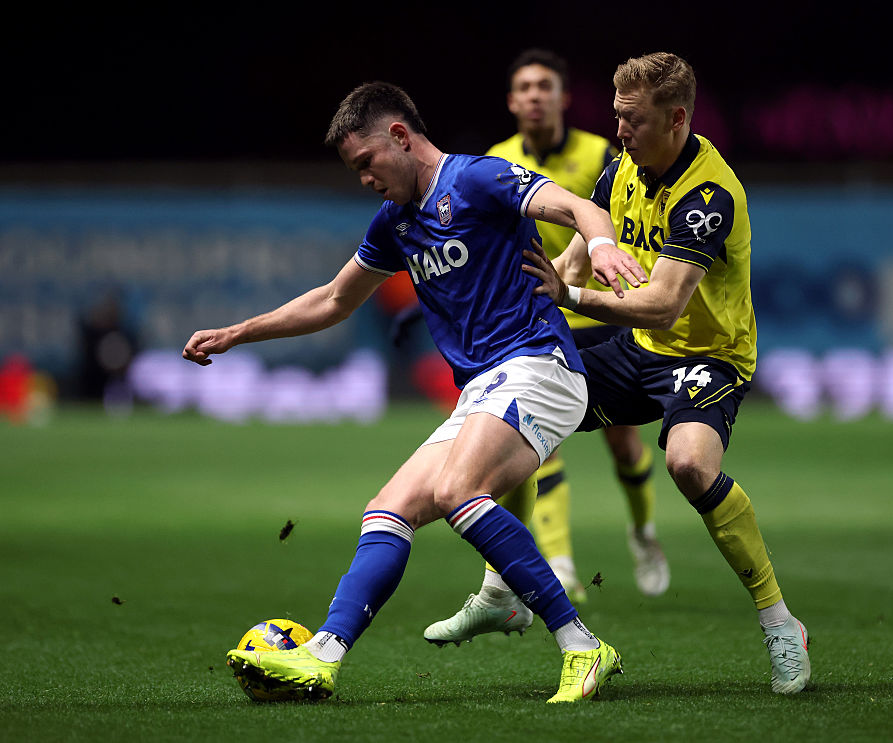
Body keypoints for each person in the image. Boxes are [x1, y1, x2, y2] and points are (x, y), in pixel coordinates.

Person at [183, 81, 646, 703]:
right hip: (485, 387)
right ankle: (323, 654)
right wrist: (239, 332)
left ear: (400, 136)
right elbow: (332, 300)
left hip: (542, 365)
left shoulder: (477, 180)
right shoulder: (395, 222)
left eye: (366, 163)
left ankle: (582, 645)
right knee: (389, 507)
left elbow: (578, 210)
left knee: (459, 490)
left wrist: (605, 246)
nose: (365, 180)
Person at [518, 52, 812, 694]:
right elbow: (571, 263)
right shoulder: (622, 166)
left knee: (689, 465)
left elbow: (664, 301)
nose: (618, 133)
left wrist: (571, 302)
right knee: (519, 415)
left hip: (709, 355)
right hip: (642, 347)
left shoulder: (709, 194)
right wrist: (528, 325)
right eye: (616, 118)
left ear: (676, 119)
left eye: (632, 121)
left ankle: (780, 621)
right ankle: (501, 590)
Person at [452, 50, 670, 612]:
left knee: (624, 442)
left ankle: (643, 532)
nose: (533, 96)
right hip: (528, 319)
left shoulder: (603, 152)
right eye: (523, 87)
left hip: (592, 308)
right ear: (511, 101)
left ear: (562, 97)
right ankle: (560, 562)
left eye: (544, 86)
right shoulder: (492, 161)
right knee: (534, 438)